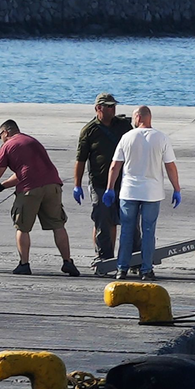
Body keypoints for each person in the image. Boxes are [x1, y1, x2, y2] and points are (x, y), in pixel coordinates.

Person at [0, 120, 80, 276]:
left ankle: (24, 264)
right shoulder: (32, 141)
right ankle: (68, 262)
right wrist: (3, 186)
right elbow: (26, 170)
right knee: (58, 225)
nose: (0, 138)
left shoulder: (7, 146)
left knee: (22, 227)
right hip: (53, 186)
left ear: (6, 132)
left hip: (30, 190)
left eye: (0, 135)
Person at [103, 106, 181, 281]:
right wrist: (177, 189)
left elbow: (115, 165)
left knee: (127, 231)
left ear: (138, 117)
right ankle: (146, 270)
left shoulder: (127, 137)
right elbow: (170, 166)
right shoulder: (161, 138)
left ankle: (121, 269)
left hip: (129, 191)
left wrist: (109, 188)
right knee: (148, 231)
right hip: (152, 192)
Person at [73, 93, 140, 268]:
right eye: (108, 106)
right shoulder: (89, 131)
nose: (112, 109)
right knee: (103, 220)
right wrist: (77, 185)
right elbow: (80, 160)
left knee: (130, 221)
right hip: (100, 184)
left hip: (125, 183)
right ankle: (104, 258)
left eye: (113, 106)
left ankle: (135, 259)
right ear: (98, 108)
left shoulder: (124, 126)